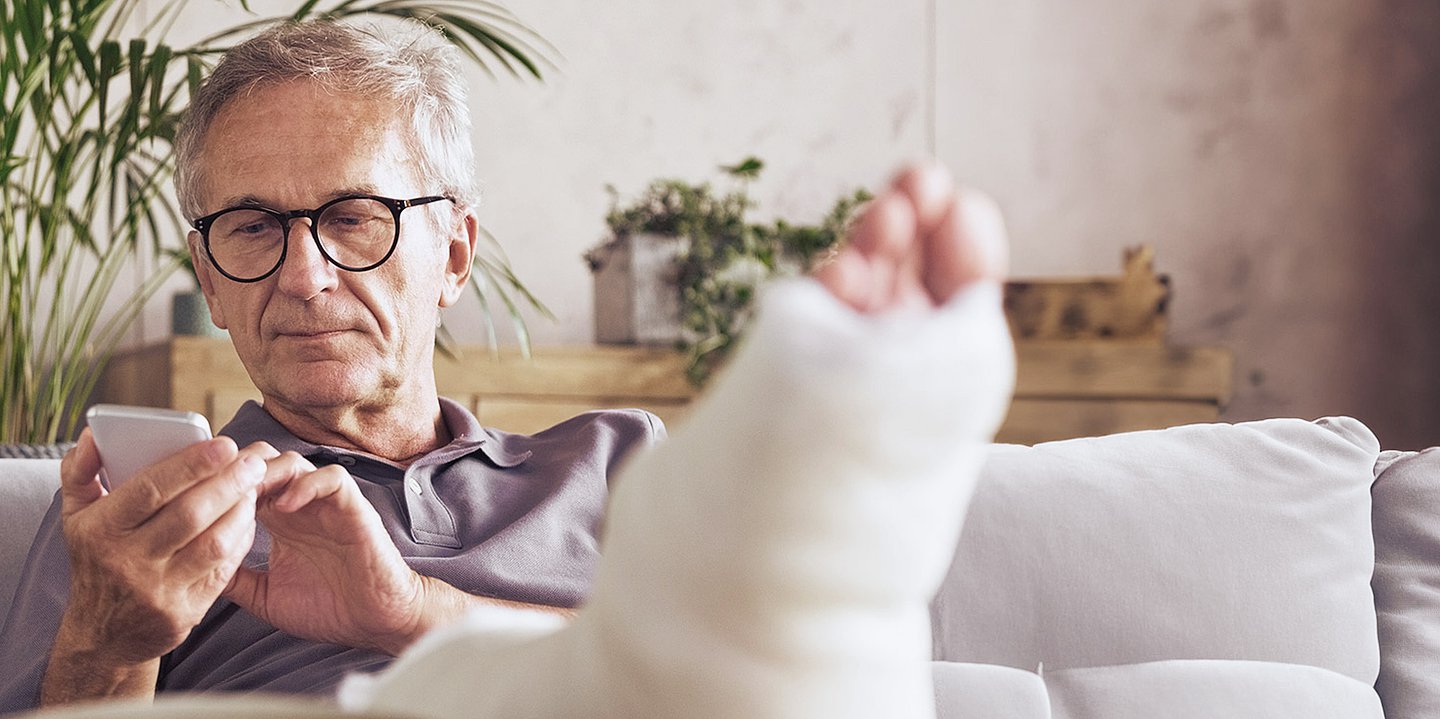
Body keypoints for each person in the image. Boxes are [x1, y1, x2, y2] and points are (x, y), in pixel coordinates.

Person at [0, 17, 1015, 719]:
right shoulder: (139, 515)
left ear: (454, 253)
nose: (304, 275)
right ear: (210, 282)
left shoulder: (616, 464)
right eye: (254, 226)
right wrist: (110, 635)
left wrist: (407, 610)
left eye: (354, 217)